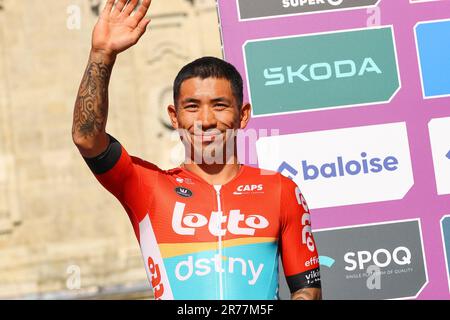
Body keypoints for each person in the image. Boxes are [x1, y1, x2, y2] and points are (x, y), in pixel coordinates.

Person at [72, 0, 321, 300]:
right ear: (174, 117)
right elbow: (87, 138)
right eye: (192, 107)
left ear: (242, 115)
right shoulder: (146, 187)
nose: (205, 121)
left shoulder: (281, 190)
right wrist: (102, 54)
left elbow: (307, 290)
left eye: (219, 106)